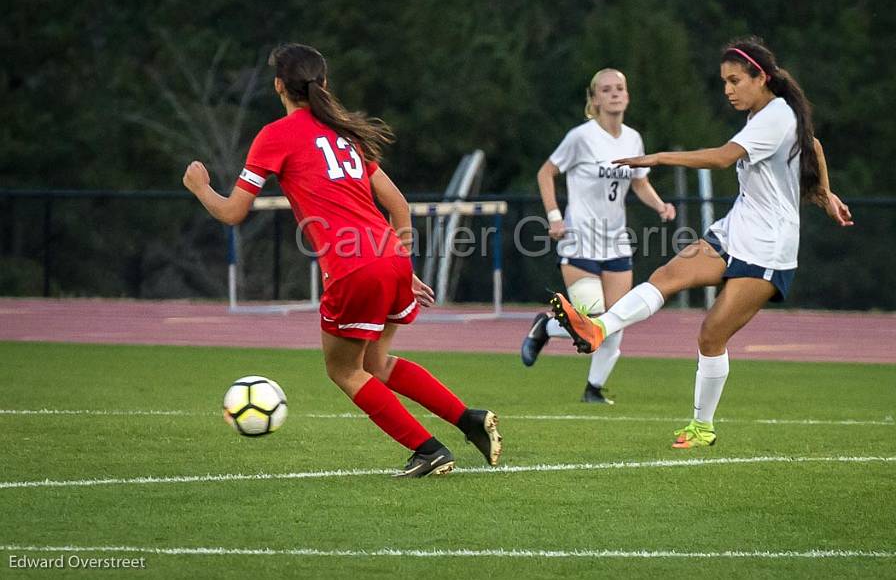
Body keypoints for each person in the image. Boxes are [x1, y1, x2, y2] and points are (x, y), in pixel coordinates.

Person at [183, 42, 501, 477]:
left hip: (353, 266)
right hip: (392, 256)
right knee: (377, 364)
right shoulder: (346, 133)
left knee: (344, 370)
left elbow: (234, 212)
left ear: (278, 85)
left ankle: (428, 450)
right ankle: (469, 419)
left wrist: (201, 188)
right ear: (324, 83)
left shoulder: (274, 136)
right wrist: (402, 270)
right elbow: (401, 206)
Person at [550, 37, 853, 446]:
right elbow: (810, 145)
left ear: (759, 77)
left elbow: (722, 158)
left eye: (734, 81)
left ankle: (702, 426)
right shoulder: (768, 113)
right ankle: (598, 329)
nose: (727, 90)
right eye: (724, 82)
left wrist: (657, 158)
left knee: (711, 335)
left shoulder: (775, 114)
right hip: (736, 228)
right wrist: (825, 194)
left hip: (768, 245)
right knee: (668, 274)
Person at [520, 68, 675, 404]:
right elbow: (546, 172)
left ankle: (593, 389)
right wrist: (554, 217)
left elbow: (639, 182)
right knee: (591, 317)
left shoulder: (633, 138)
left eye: (620, 88)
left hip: (616, 241)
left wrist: (660, 205)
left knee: (614, 322)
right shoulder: (581, 137)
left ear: (628, 95)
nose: (615, 94)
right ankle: (545, 328)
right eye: (606, 90)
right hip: (579, 240)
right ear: (594, 100)